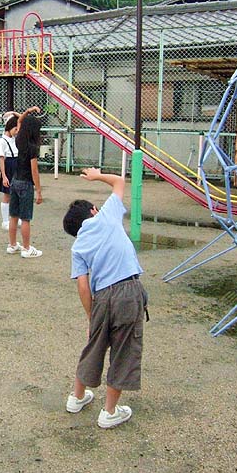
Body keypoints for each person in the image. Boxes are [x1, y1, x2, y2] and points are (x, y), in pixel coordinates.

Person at [62, 167, 148, 429]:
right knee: (124, 349)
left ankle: (77, 397)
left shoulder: (78, 246)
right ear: (93, 211)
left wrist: (92, 316)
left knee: (94, 345)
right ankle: (109, 411)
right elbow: (119, 182)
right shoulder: (107, 215)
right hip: (127, 290)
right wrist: (96, 176)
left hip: (101, 297)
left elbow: (82, 285)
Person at [7, 106, 43, 258]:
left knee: (13, 216)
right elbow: (34, 171)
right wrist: (39, 191)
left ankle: (12, 245)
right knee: (26, 218)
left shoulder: (19, 140)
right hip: (26, 183)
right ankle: (27, 248)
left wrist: (28, 111)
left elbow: (20, 120)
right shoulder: (32, 148)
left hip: (15, 181)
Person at [0, 113, 19, 230]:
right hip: (9, 166)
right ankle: (5, 221)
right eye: (15, 129)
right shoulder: (2, 140)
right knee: (7, 195)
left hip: (17, 164)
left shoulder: (14, 138)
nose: (17, 132)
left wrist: (14, 114)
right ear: (10, 127)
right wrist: (4, 176)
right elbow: (2, 159)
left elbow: (23, 120)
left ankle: (15, 217)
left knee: (16, 194)